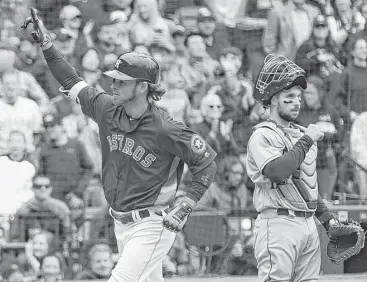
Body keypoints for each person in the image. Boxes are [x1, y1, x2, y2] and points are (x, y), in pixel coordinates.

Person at [22, 8, 217, 282]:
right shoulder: (107, 109)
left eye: (121, 81)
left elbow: (206, 162)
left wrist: (187, 203)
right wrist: (47, 45)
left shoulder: (166, 128)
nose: (113, 84)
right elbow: (71, 80)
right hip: (121, 222)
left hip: (152, 223)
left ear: (142, 87)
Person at [246, 54, 338, 282]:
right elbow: (278, 171)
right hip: (278, 224)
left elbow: (306, 187)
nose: (297, 101)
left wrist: (328, 220)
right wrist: (307, 141)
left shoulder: (301, 134)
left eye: (299, 96)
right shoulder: (262, 135)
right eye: (289, 96)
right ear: (273, 99)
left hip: (307, 224)